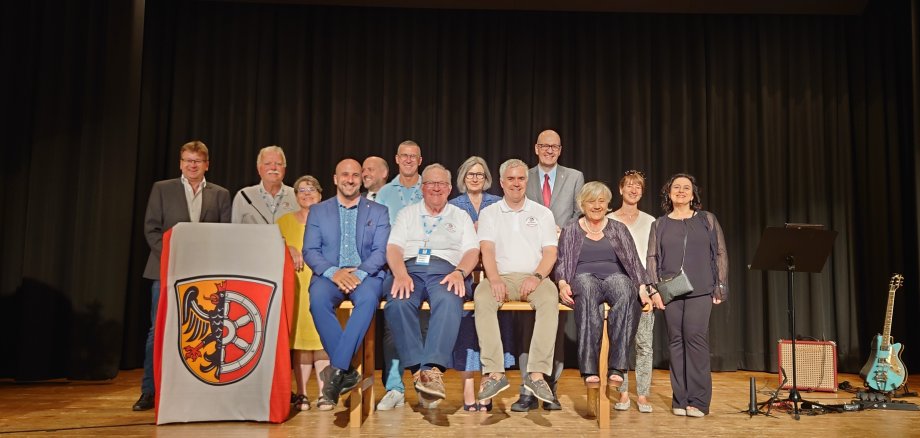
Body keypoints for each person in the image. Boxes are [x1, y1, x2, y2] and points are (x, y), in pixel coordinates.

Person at [135, 140, 231, 411]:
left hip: (205, 275)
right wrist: (171, 257)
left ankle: (201, 391)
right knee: (158, 331)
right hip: (165, 271)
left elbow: (225, 233)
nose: (192, 165)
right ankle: (149, 391)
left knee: (207, 333)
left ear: (206, 165)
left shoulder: (220, 194)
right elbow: (151, 229)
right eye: (188, 160)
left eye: (197, 161)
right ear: (180, 163)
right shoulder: (162, 189)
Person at [383, 164, 480, 407]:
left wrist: (460, 272)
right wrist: (400, 273)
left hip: (446, 270)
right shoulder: (407, 213)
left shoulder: (460, 216)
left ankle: (433, 370)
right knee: (398, 303)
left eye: (441, 184)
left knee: (450, 300)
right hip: (410, 270)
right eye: (430, 183)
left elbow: (472, 251)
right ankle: (419, 370)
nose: (436, 188)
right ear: (422, 187)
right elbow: (393, 248)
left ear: (449, 188)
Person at [555, 182, 654, 404]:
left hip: (613, 277)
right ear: (582, 204)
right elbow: (561, 262)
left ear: (608, 204)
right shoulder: (571, 229)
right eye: (591, 201)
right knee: (588, 289)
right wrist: (562, 284)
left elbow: (633, 262)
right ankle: (590, 370)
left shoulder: (618, 229)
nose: (597, 206)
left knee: (625, 289)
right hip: (583, 278)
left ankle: (617, 367)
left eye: (601, 201)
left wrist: (641, 288)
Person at [304, 159, 390, 408]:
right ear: (335, 178)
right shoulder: (319, 211)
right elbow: (310, 250)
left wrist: (360, 273)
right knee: (317, 301)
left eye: (355, 175)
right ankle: (348, 370)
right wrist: (333, 272)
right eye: (345, 174)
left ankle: (338, 369)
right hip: (329, 275)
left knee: (368, 301)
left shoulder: (378, 211)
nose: (350, 179)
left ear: (361, 179)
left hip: (366, 275)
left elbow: (381, 251)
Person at [474, 158, 559, 407]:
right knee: (482, 296)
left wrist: (537, 277)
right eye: (510, 179)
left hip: (534, 277)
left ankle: (536, 374)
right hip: (501, 277)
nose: (516, 183)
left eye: (521, 178)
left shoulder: (542, 213)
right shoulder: (490, 213)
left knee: (549, 297)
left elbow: (550, 253)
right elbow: (486, 250)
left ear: (527, 181)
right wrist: (494, 279)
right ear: (501, 183)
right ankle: (495, 372)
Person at [647, 173, 729, 418]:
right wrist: (653, 289)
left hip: (701, 289)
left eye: (686, 188)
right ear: (668, 193)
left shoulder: (707, 220)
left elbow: (720, 253)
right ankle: (680, 399)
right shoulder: (659, 224)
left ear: (693, 194)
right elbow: (652, 257)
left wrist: (721, 285)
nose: (681, 191)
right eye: (676, 187)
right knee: (675, 342)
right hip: (671, 291)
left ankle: (699, 400)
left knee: (694, 339)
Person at [518, 129, 585, 411]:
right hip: (528, 258)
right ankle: (526, 389)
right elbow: (517, 209)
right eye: (544, 146)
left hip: (562, 257)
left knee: (554, 324)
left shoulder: (575, 176)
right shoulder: (523, 174)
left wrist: (562, 230)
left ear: (560, 149)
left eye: (554, 146)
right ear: (536, 148)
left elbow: (579, 213)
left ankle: (550, 387)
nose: (549, 150)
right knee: (525, 324)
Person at [448, 156, 513, 412]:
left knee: (493, 331)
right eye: (470, 174)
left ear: (486, 178)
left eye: (479, 174)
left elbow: (507, 237)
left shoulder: (498, 203)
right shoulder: (453, 205)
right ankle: (467, 387)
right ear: (463, 178)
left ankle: (488, 384)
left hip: (493, 275)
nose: (474, 178)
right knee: (465, 331)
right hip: (464, 275)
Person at [374, 140, 429, 410]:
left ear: (420, 160)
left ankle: (426, 386)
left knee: (423, 327)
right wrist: (398, 270)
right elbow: (382, 237)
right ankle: (394, 387)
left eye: (413, 156)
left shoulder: (430, 188)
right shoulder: (384, 194)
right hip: (394, 268)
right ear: (396, 159)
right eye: (404, 156)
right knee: (393, 325)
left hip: (425, 267)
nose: (408, 160)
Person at [277, 175, 330, 411]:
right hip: (295, 286)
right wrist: (287, 247)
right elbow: (271, 246)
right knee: (299, 341)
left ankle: (324, 393)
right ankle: (301, 393)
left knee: (322, 340)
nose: (306, 193)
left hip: (323, 284)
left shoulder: (330, 219)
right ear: (295, 195)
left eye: (311, 189)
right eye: (301, 190)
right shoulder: (284, 221)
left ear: (320, 194)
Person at [608, 170, 658, 413]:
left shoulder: (650, 221)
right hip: (618, 288)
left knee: (644, 344)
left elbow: (653, 259)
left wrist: (651, 288)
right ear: (621, 189)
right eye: (629, 185)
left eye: (638, 186)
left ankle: (643, 394)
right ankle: (624, 393)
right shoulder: (608, 219)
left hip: (645, 288)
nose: (633, 189)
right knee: (620, 342)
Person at [231, 145, 298, 224]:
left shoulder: (297, 195)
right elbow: (235, 232)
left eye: (278, 164)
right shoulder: (243, 196)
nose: (273, 167)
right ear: (259, 168)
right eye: (267, 163)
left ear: (284, 168)